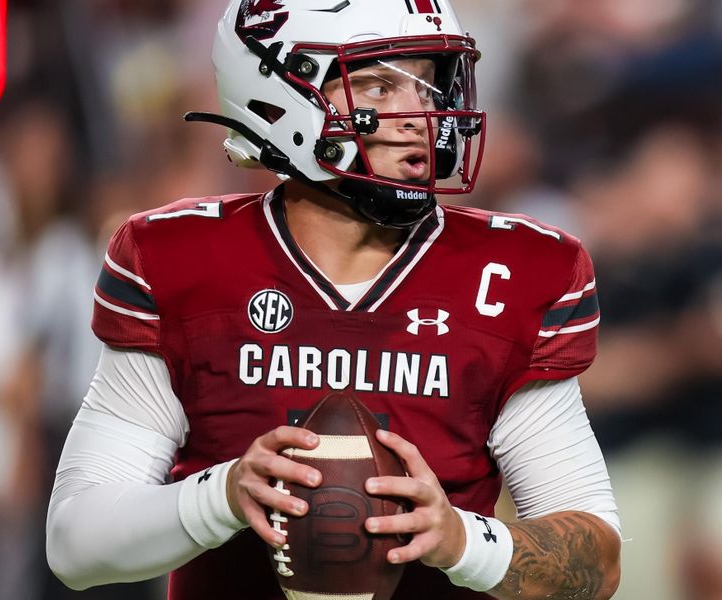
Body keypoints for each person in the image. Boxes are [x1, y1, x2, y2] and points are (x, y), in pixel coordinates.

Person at [46, 1, 622, 599]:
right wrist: (222, 496)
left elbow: (596, 566)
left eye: (431, 84)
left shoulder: (508, 276)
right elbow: (75, 546)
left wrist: (461, 540)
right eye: (378, 84)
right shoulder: (181, 261)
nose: (420, 114)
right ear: (277, 94)